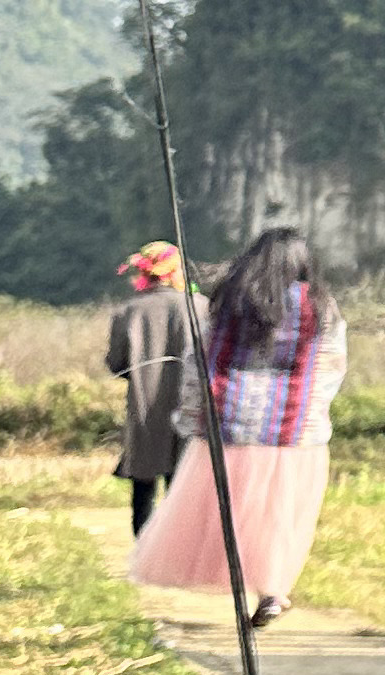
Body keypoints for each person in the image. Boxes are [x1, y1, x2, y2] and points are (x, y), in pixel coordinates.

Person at [128, 227, 346, 622]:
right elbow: (330, 368)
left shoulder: (230, 302)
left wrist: (192, 418)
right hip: (295, 432)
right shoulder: (320, 307)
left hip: (230, 427)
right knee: (280, 514)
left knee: (231, 512)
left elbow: (199, 361)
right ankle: (272, 591)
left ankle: (244, 578)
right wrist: (314, 415)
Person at [103, 242, 193, 536]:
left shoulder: (128, 311)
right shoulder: (200, 308)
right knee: (181, 485)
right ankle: (178, 547)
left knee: (144, 485)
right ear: (176, 270)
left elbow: (116, 364)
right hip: (190, 409)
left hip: (144, 408)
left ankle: (143, 547)